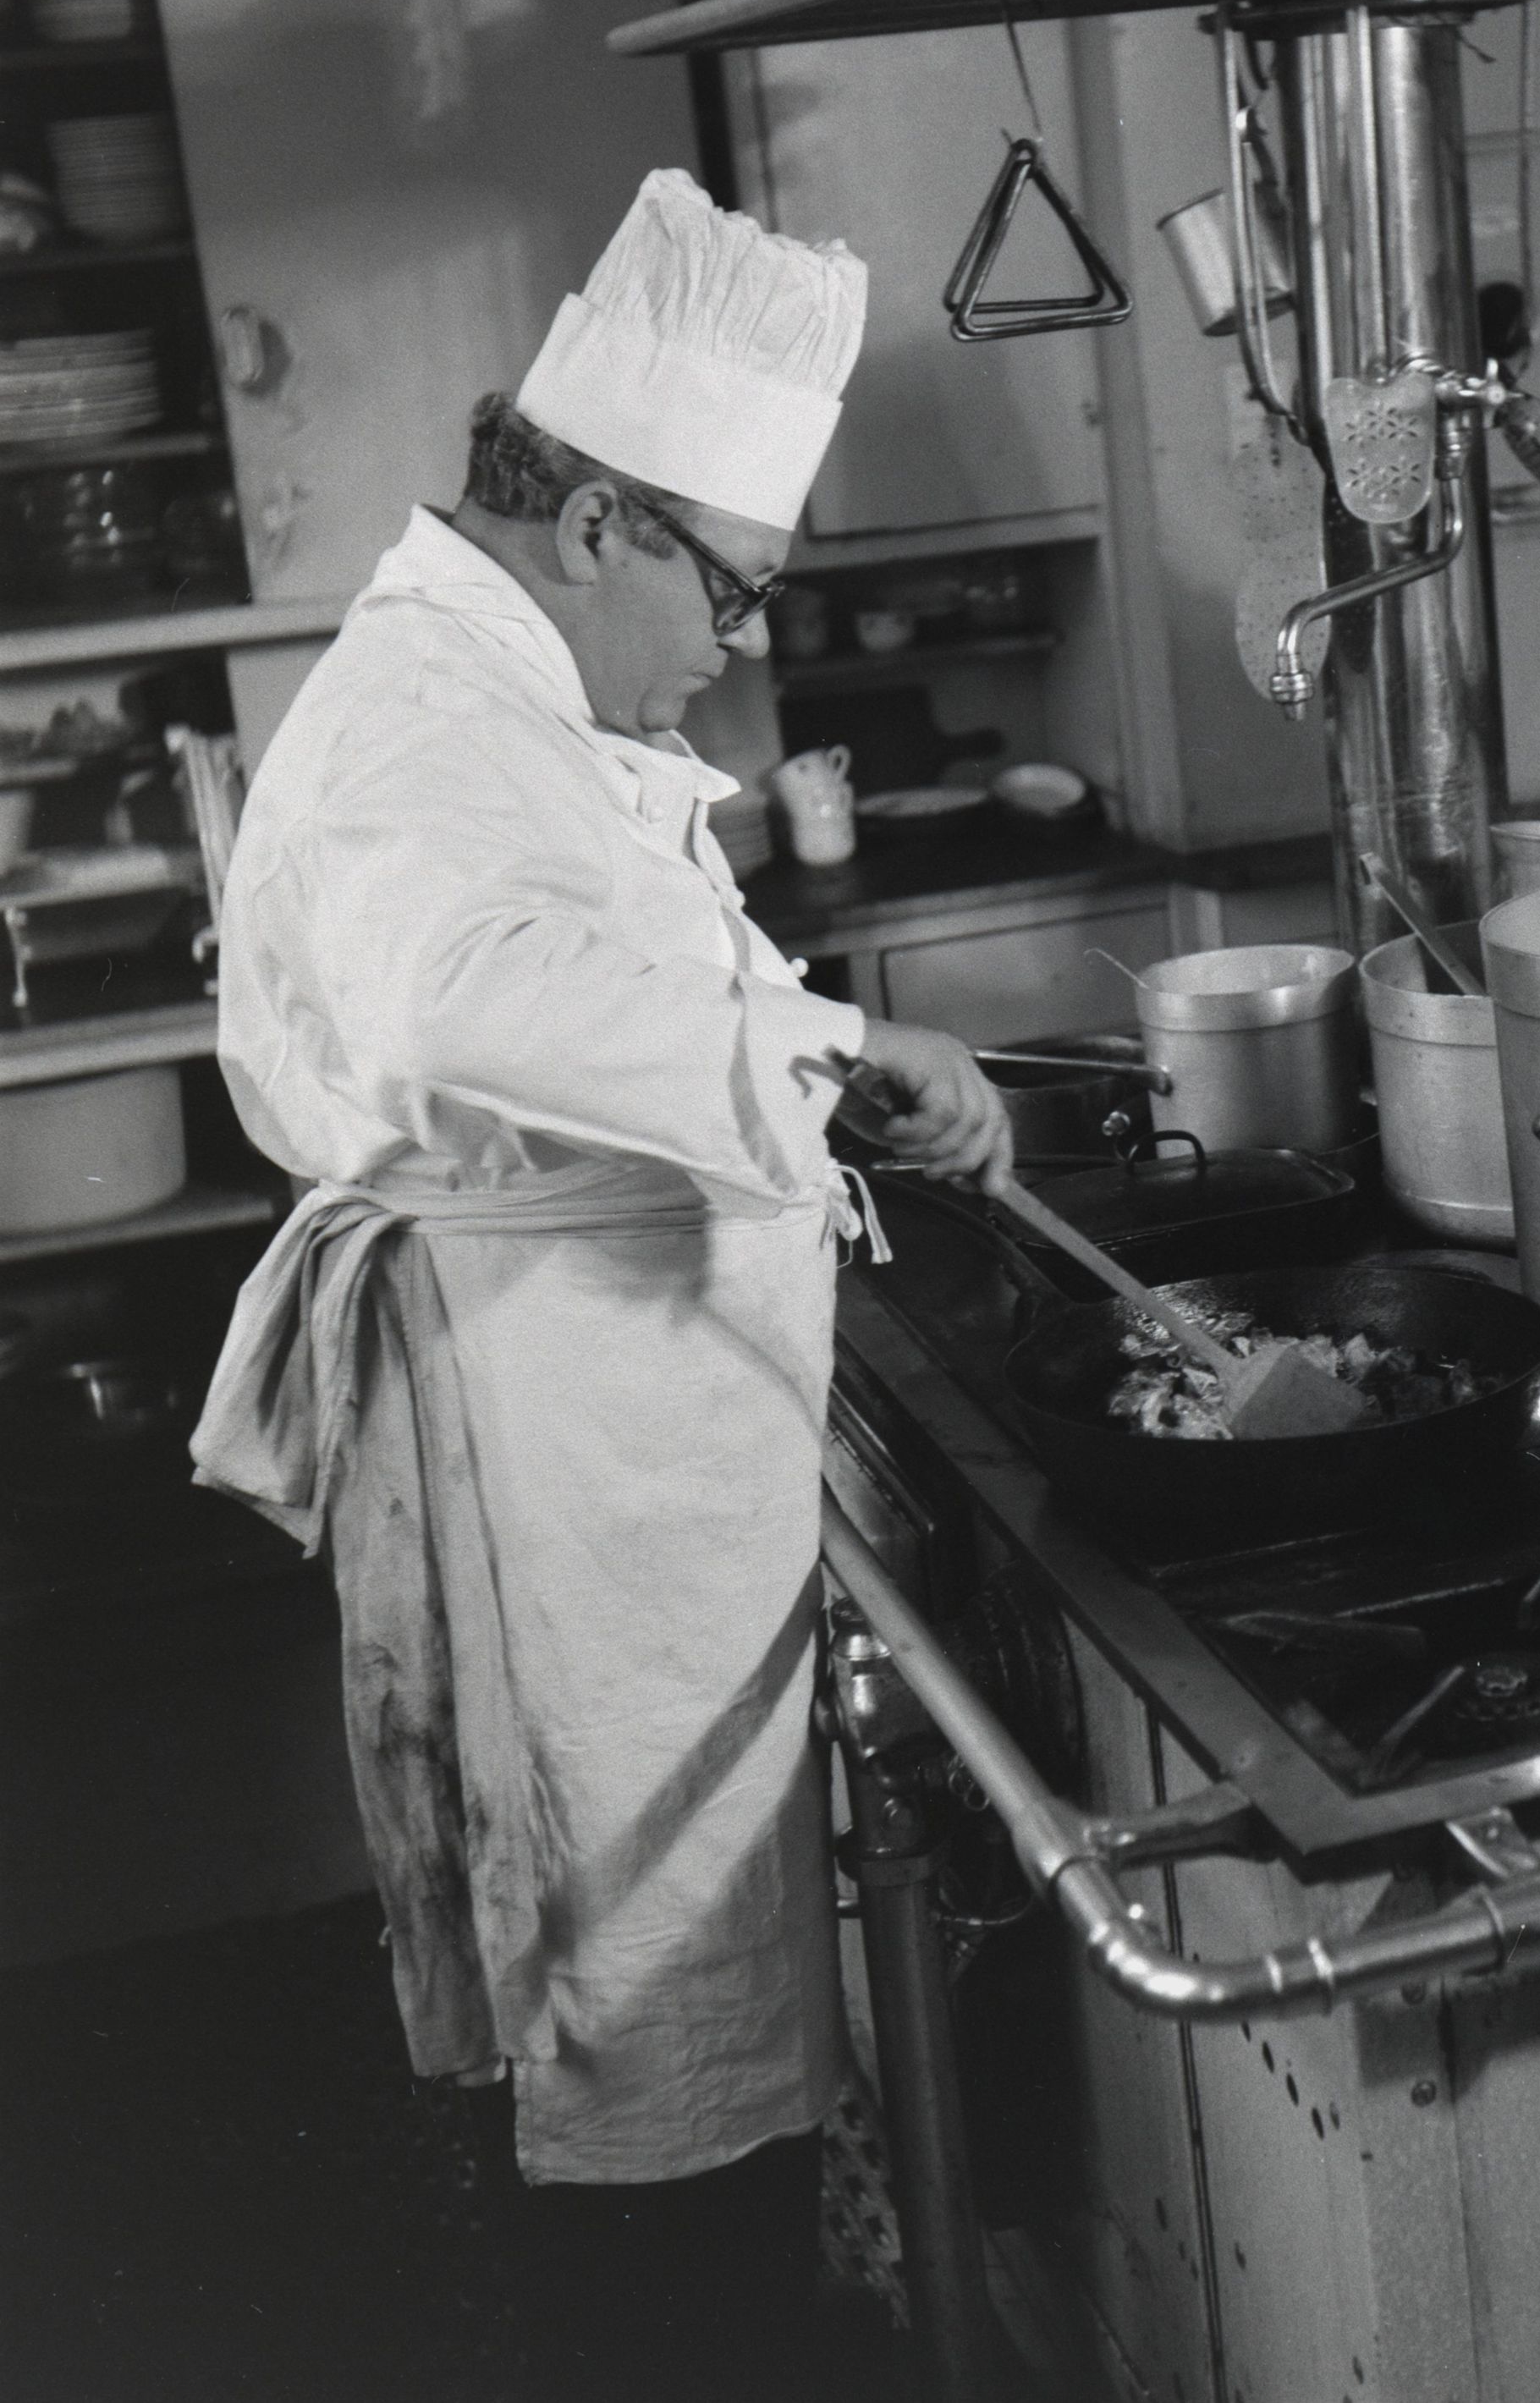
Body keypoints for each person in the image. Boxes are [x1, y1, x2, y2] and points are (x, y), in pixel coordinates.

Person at [190, 168, 1009, 2394]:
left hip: (629, 1452)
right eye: (731, 587)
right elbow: (467, 994)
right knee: (638, 2072)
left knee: (667, 2028)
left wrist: (800, 1062)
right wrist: (832, 1047)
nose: (736, 643)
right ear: (591, 522)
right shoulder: (427, 718)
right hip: (572, 1480)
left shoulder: (503, 688)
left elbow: (590, 976)